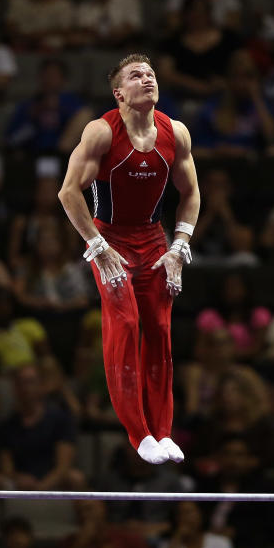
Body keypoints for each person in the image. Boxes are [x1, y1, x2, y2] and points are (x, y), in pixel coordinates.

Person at [57, 53, 200, 465]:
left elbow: (191, 194)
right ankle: (139, 435)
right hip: (110, 239)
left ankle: (163, 431)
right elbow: (69, 192)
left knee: (158, 328)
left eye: (151, 73)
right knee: (127, 322)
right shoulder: (101, 132)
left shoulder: (177, 133)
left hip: (154, 239)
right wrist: (97, 248)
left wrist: (179, 246)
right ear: (119, 93)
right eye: (136, 75)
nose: (147, 78)